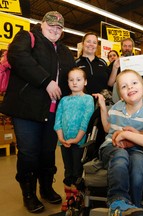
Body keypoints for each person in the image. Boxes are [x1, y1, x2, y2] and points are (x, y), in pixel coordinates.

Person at [0, 11, 76, 213]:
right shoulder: (27, 37)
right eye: (51, 25)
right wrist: (46, 81)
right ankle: (28, 193)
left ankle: (46, 188)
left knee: (47, 152)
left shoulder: (65, 50)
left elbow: (73, 75)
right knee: (29, 153)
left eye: (59, 27)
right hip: (26, 109)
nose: (55, 29)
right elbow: (18, 56)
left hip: (52, 111)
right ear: (41, 24)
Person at [93, 69, 143, 216]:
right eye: (124, 86)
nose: (129, 87)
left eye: (134, 83)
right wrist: (104, 108)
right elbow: (107, 128)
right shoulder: (116, 108)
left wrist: (125, 135)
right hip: (111, 147)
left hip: (138, 150)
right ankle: (117, 201)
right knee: (121, 155)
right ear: (120, 95)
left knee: (138, 166)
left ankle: (133, 207)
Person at [54, 68, 94, 211]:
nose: (74, 82)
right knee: (67, 169)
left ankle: (77, 196)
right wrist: (60, 137)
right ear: (68, 82)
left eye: (78, 79)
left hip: (79, 142)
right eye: (71, 80)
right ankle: (68, 196)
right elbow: (57, 120)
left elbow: (85, 121)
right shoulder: (64, 100)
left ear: (85, 82)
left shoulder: (88, 99)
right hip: (63, 141)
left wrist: (77, 138)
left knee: (77, 169)